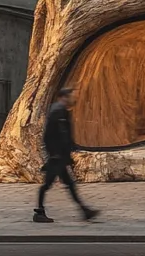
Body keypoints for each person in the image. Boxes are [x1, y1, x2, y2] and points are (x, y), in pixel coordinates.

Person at [33, 86, 99, 223]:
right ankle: (39, 212)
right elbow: (51, 135)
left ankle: (84, 211)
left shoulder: (61, 111)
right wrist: (55, 153)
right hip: (56, 157)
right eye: (72, 96)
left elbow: (64, 135)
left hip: (60, 157)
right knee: (47, 185)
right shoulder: (58, 111)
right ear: (64, 97)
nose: (74, 98)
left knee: (69, 184)